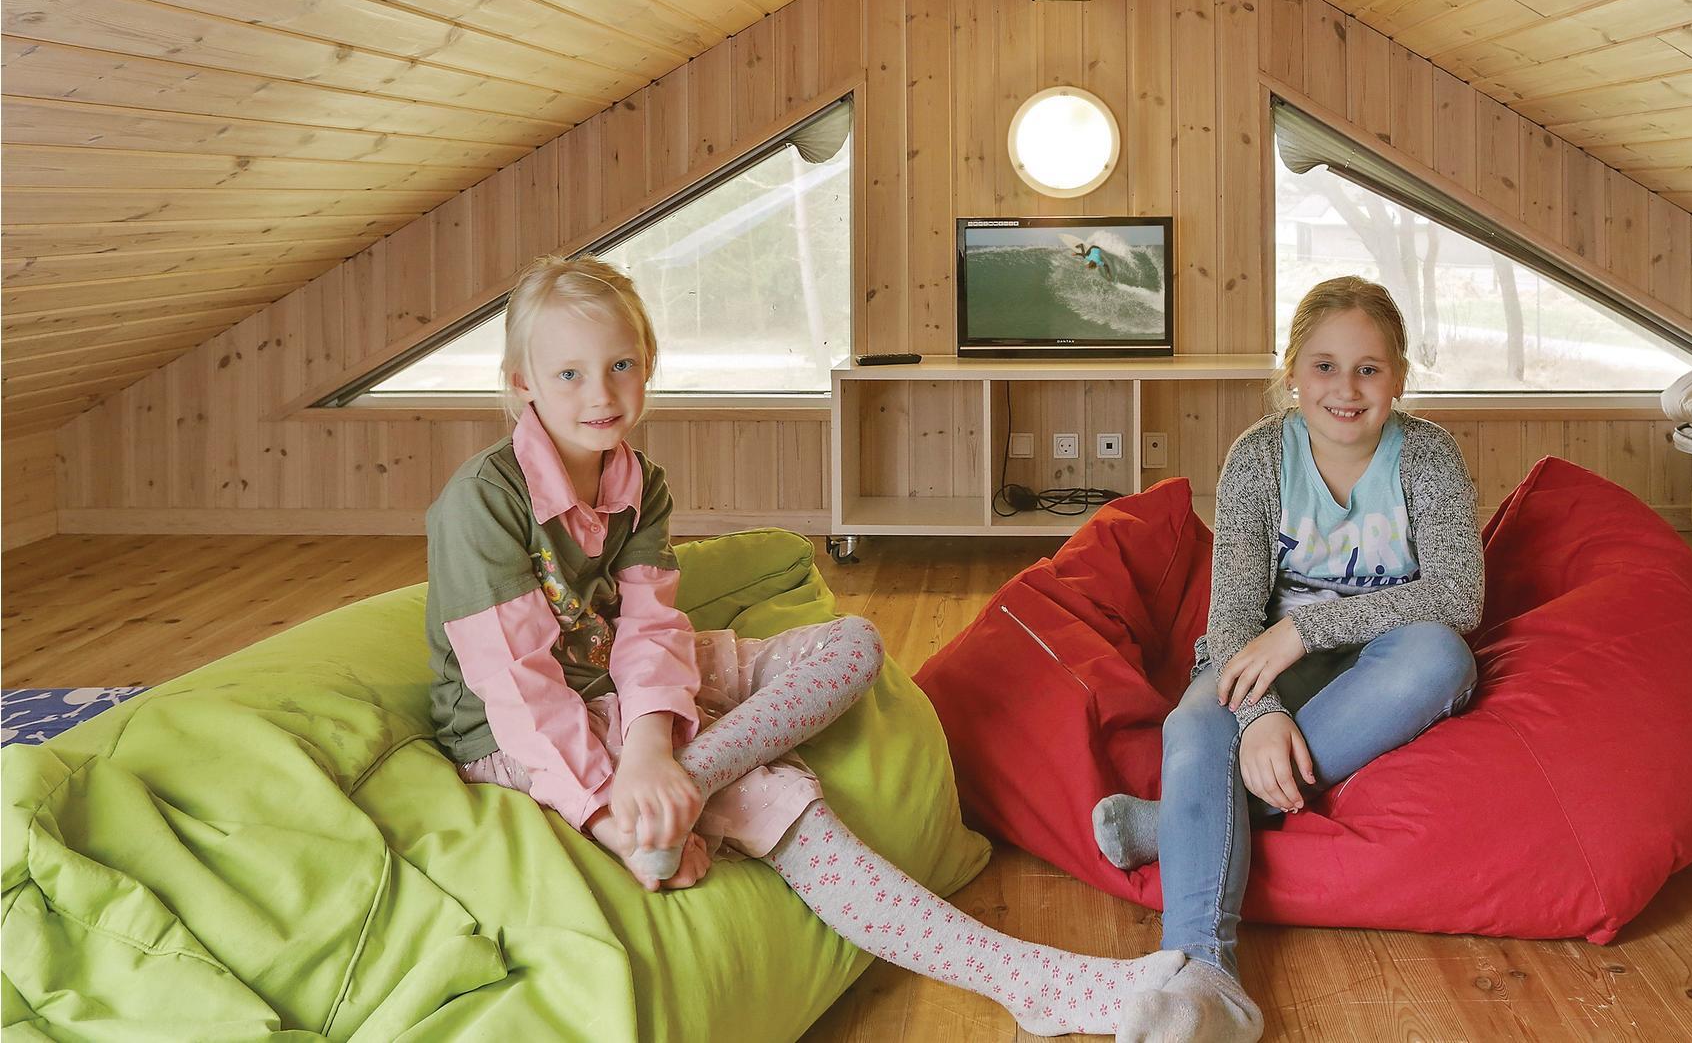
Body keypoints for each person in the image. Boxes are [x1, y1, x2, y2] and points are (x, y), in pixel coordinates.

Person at [426, 254, 1182, 1037]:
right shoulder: (484, 502)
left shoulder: (638, 481)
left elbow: (648, 627)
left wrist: (656, 752)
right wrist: (610, 814)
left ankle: (693, 779)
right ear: (522, 383)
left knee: (853, 644)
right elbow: (518, 692)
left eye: (622, 365)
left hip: (619, 688)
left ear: (647, 363)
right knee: (784, 798)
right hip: (521, 735)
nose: (602, 394)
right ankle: (1032, 982)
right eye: (570, 375)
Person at [1093, 276, 1486, 1042]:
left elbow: (1458, 597)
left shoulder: (1428, 457)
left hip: (1380, 662)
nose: (1347, 389)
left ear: (1399, 377)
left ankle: (1176, 823)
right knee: (1195, 727)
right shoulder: (1259, 458)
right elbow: (1233, 618)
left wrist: (1306, 630)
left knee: (1444, 656)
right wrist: (1262, 713)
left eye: (1369, 369)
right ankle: (1200, 975)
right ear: (1293, 372)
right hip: (1259, 657)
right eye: (1325, 366)